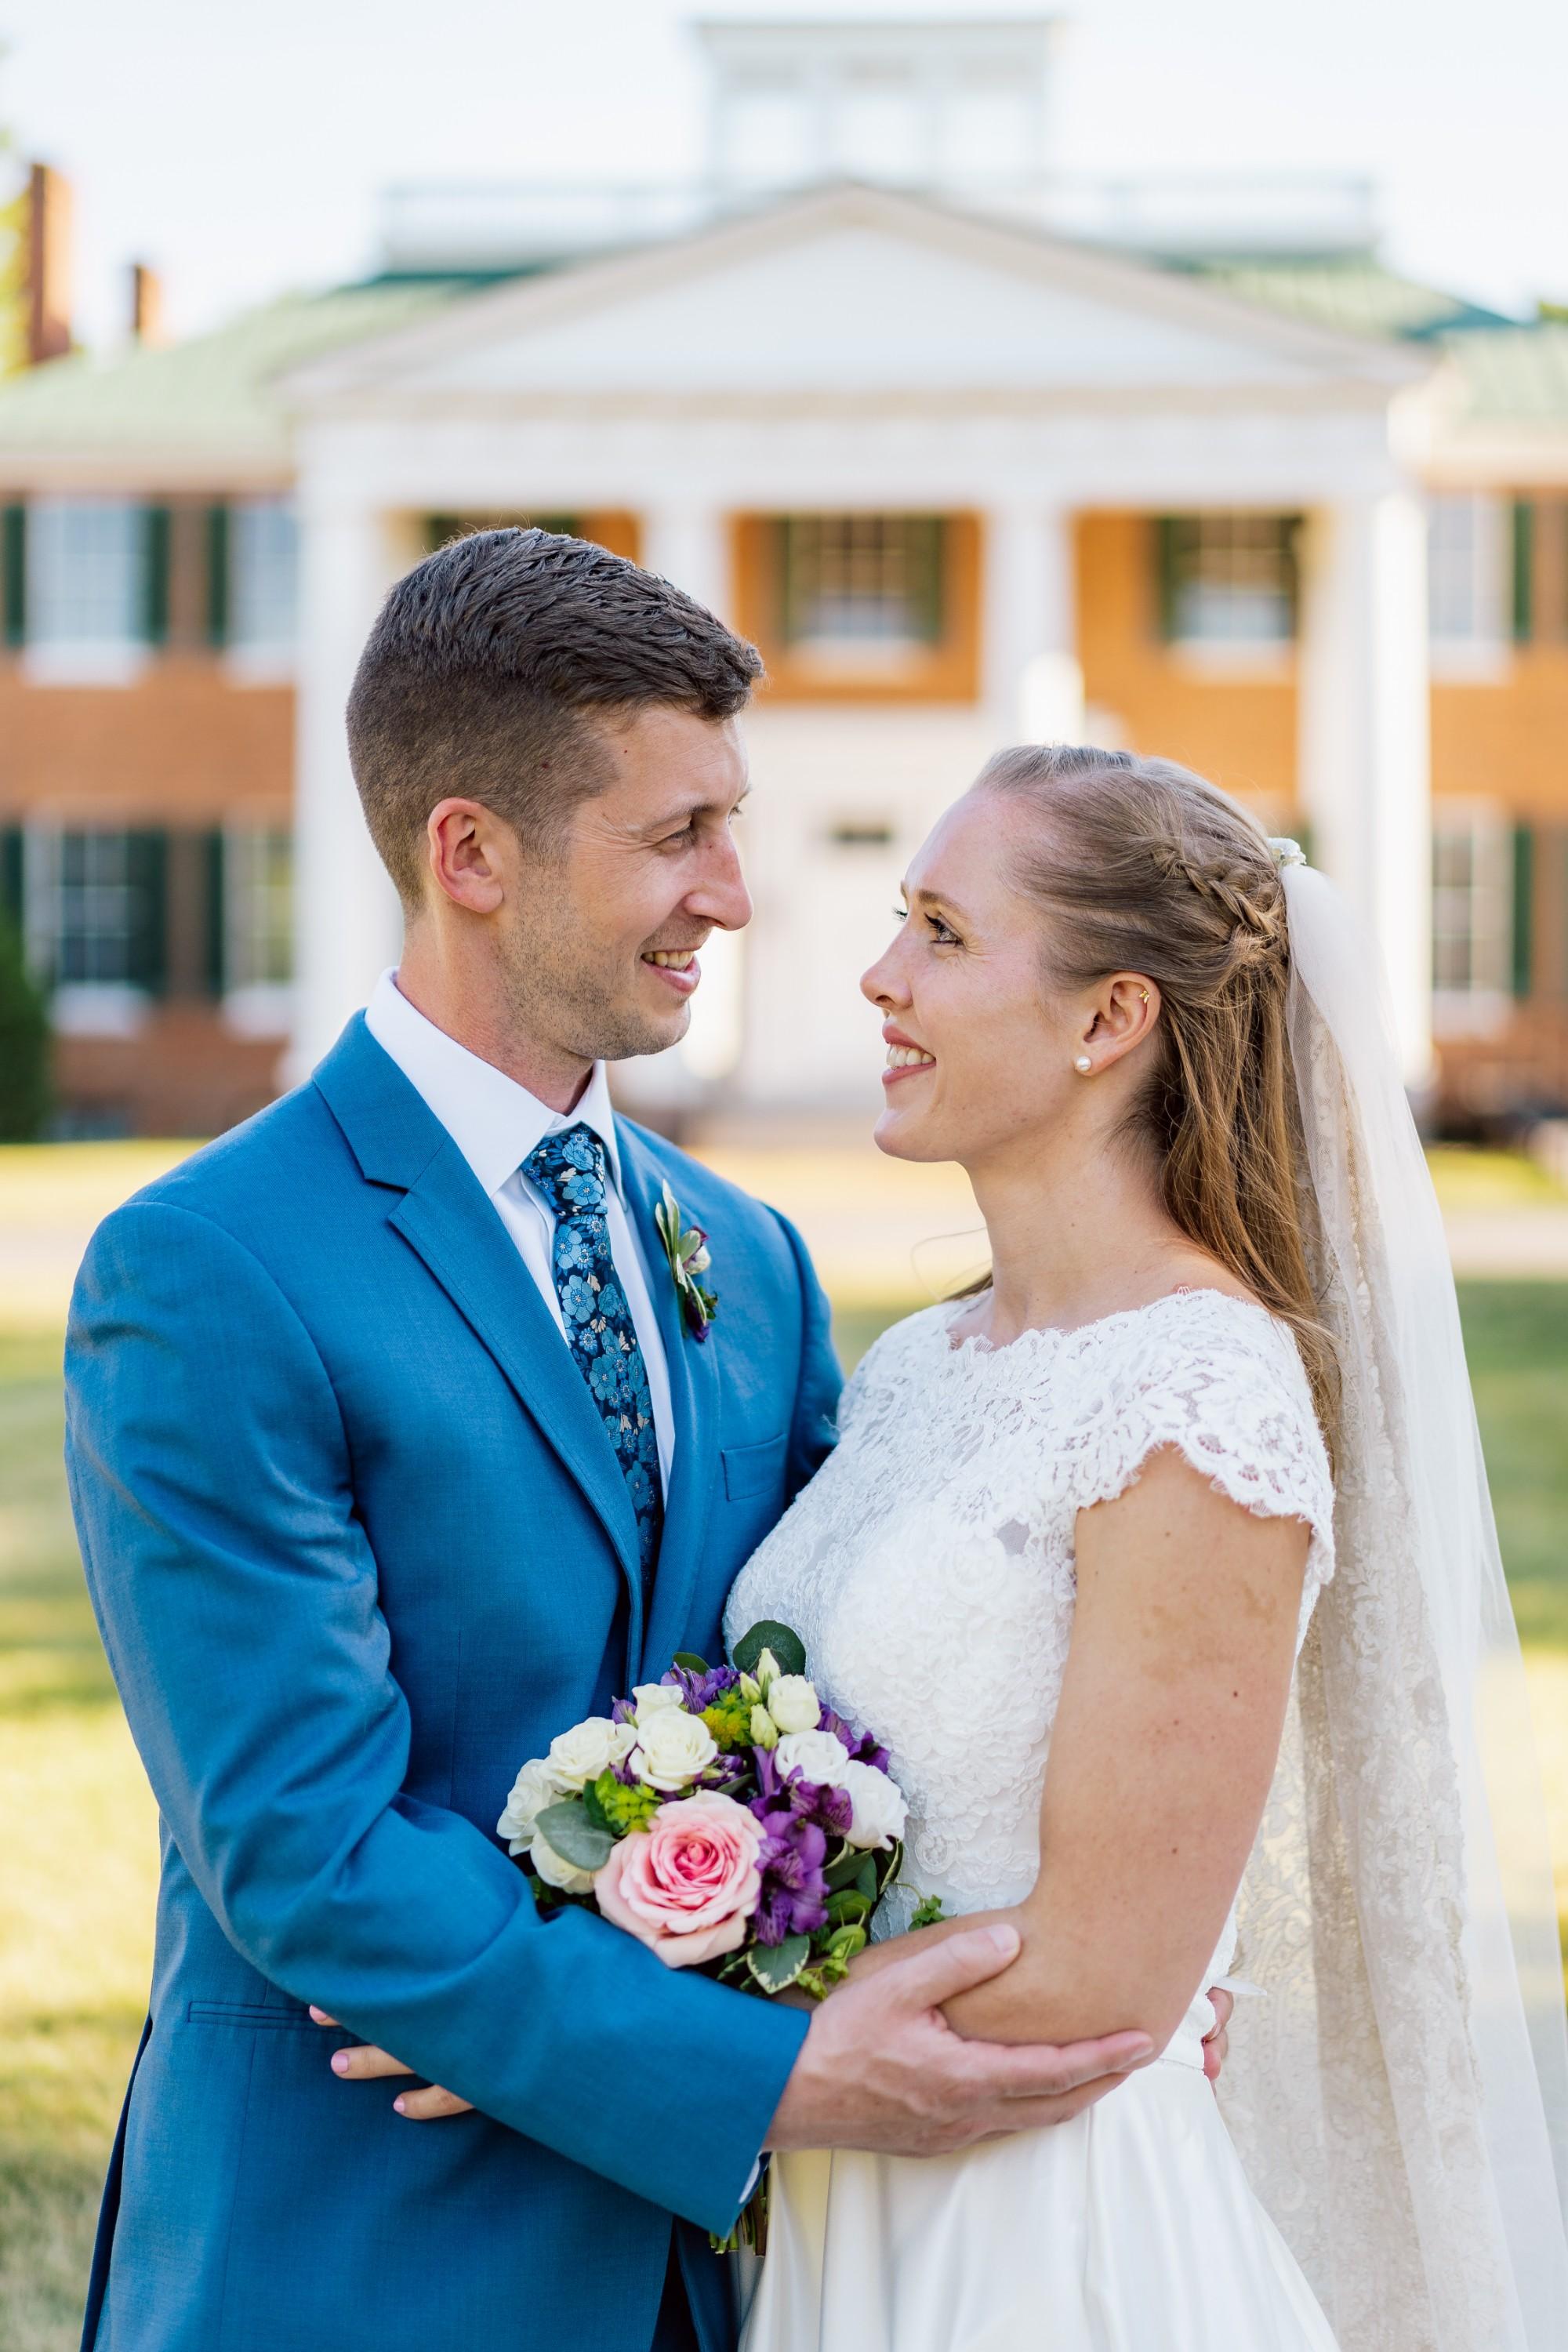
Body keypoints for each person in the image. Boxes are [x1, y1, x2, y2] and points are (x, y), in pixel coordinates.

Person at [64, 535, 1191, 2352]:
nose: (736, 896)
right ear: (472, 855)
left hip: (713, 2286)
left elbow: (869, 1691)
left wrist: (1102, 1966)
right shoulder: (208, 1269)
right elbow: (303, 1846)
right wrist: (763, 2076)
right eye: (678, 836)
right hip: (352, 2255)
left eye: (732, 828)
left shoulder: (744, 1259)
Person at [723, 746, 1568, 2350]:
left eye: (942, 935)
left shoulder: (1196, 1391)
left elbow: (1101, 1982)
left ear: (1110, 1020)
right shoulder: (916, 1365)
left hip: (1039, 2243)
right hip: (846, 2212)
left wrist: (607, 2054)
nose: (878, 974)